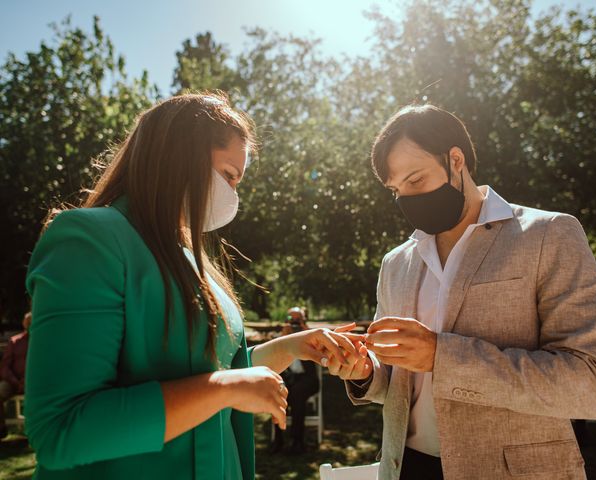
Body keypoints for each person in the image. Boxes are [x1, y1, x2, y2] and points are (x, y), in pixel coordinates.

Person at [24, 93, 358, 480]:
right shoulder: (88, 239)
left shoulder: (191, 257)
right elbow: (61, 429)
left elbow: (206, 368)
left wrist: (291, 347)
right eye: (230, 176)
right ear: (181, 157)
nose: (234, 195)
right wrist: (225, 389)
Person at [328, 104, 596, 479]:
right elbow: (397, 381)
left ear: (455, 159)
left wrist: (442, 356)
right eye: (396, 191)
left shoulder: (549, 235)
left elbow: (591, 385)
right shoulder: (395, 263)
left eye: (416, 181)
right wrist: (366, 371)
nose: (407, 200)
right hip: (405, 469)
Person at [271, 307, 320, 454]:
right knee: (278, 390)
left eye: (297, 320)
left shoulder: (312, 337)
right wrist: (282, 338)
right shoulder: (279, 338)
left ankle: (297, 441)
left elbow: (320, 358)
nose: (294, 324)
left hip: (307, 379)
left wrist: (307, 334)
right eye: (291, 320)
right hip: (287, 378)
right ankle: (279, 439)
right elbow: (272, 362)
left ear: (304, 321)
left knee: (297, 394)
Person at [0, 311, 31, 438]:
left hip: (35, 383)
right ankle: (1, 429)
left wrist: (26, 381)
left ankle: (36, 431)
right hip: (13, 382)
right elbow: (4, 366)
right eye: (28, 323)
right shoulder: (15, 341)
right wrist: (15, 381)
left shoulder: (42, 343)